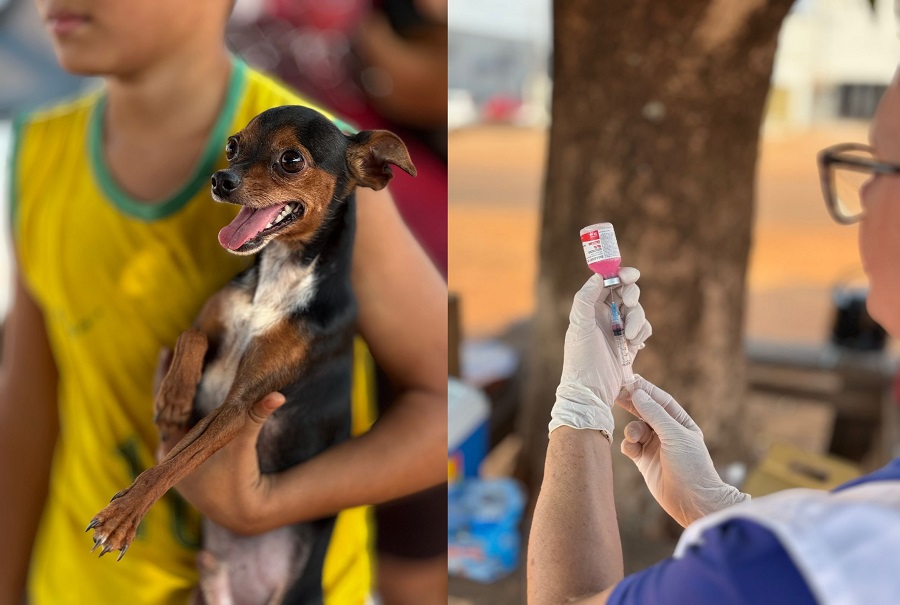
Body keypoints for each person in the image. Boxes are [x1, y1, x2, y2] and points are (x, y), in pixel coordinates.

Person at [0, 1, 446, 603]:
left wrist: (267, 506)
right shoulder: (36, 153)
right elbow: (30, 401)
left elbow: (438, 403)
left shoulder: (329, 168)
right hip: (80, 583)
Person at [527, 68, 900, 604]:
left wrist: (580, 406)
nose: (861, 193)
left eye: (877, 166)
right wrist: (718, 507)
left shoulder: (782, 567)